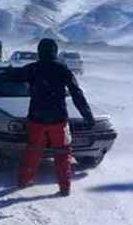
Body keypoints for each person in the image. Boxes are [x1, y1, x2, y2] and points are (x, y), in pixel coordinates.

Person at [8, 38, 95, 196]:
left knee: (33, 152)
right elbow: (77, 93)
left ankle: (24, 181)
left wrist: (6, 71)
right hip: (58, 121)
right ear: (55, 52)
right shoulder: (62, 69)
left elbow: (14, 76)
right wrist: (88, 115)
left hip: (37, 119)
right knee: (62, 154)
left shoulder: (33, 68)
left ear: (39, 51)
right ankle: (64, 188)